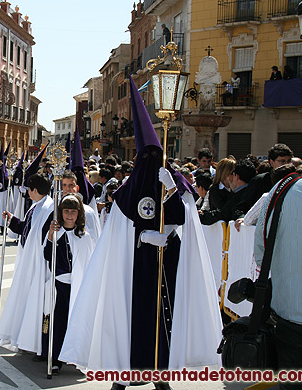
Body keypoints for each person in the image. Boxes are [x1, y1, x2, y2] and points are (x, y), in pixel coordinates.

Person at [59, 77, 221, 390]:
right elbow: (117, 238)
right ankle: (125, 372)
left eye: (152, 158)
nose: (148, 165)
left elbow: (186, 221)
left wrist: (173, 193)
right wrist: (145, 238)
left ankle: (161, 373)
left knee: (164, 319)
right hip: (134, 271)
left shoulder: (175, 185)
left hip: (167, 267)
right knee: (132, 320)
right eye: (143, 159)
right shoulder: (127, 194)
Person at [254, 168, 302, 389]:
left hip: (293, 322)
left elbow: (261, 255)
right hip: (293, 324)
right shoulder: (285, 189)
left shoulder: (285, 189)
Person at [0, 173, 54, 355]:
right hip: (29, 259)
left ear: (34, 190)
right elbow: (26, 230)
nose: (28, 192)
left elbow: (41, 237)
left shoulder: (48, 208)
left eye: (29, 189)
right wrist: (12, 220)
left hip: (38, 263)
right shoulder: (36, 207)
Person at [41, 194, 95, 374]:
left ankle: (78, 356)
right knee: (59, 322)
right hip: (61, 285)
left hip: (78, 286)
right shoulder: (56, 234)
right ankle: (55, 358)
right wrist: (50, 235)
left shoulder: (85, 237)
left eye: (73, 212)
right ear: (61, 213)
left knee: (78, 321)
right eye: (66, 212)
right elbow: (48, 256)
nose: (70, 215)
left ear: (78, 214)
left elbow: (88, 262)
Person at [199, 159, 257, 225]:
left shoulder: (241, 193)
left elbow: (225, 212)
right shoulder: (215, 189)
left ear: (237, 177)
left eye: (233, 173)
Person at [61, 170, 101, 241]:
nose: (67, 189)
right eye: (64, 185)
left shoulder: (88, 212)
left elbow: (95, 238)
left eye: (71, 185)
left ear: (77, 188)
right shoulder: (55, 209)